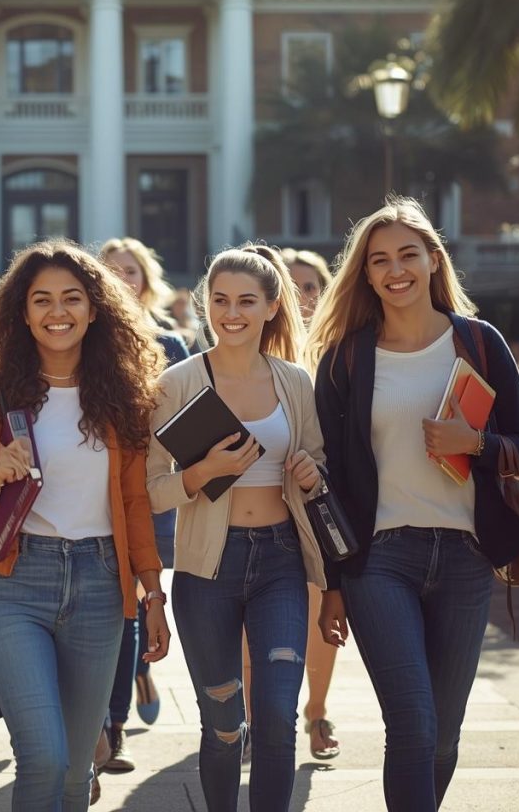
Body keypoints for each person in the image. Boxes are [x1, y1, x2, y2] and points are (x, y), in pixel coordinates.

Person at [307, 197, 519, 812]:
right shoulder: (346, 359)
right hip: (380, 560)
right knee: (412, 724)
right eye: (379, 260)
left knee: (442, 735)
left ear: (434, 260)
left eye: (408, 255)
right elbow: (332, 484)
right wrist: (333, 583)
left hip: (467, 557)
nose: (395, 270)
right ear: (365, 274)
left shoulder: (479, 342)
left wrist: (476, 443)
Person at [0, 239, 172, 811]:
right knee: (43, 757)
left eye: (72, 298)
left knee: (75, 771)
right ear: (22, 313)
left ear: (95, 310)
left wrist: (152, 591)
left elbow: (134, 503)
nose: (57, 311)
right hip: (15, 583)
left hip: (100, 584)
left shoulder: (124, 399)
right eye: (41, 299)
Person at [147, 244, 327, 812]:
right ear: (205, 304)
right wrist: (200, 473)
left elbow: (319, 465)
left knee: (276, 716)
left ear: (272, 307)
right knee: (224, 724)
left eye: (247, 301)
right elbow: (149, 490)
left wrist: (311, 472)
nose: (232, 313)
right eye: (220, 300)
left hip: (281, 561)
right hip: (207, 567)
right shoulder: (176, 383)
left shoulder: (294, 381)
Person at [98, 237, 189, 774]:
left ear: (146, 279)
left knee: (131, 603)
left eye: (130, 271)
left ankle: (114, 729)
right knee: (116, 608)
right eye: (110, 271)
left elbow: (189, 422)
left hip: (147, 496)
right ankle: (130, 681)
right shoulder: (84, 339)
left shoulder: (171, 345)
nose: (121, 280)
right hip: (97, 495)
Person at [278, 246, 341, 759]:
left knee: (323, 610)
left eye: (311, 287)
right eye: (290, 286)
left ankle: (316, 710)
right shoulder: (245, 348)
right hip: (261, 510)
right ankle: (257, 715)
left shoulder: (338, 355)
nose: (301, 298)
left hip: (322, 505)